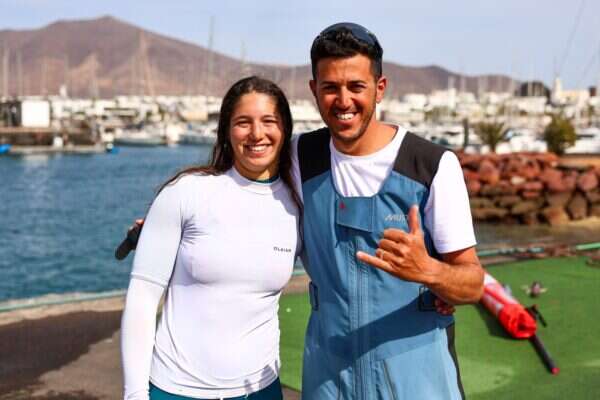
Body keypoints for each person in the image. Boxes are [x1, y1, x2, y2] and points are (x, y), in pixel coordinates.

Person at [291, 23, 484, 399]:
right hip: (329, 382)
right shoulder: (300, 157)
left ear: (380, 88)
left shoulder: (431, 165)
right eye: (330, 87)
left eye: (356, 86)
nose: (343, 100)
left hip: (418, 382)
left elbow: (474, 283)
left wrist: (428, 270)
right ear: (313, 89)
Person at [120, 76, 301, 400]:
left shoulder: (296, 205)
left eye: (268, 121)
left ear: (285, 129)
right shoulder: (186, 192)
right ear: (226, 131)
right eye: (243, 122)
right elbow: (142, 298)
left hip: (261, 391)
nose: (256, 133)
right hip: (175, 390)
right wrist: (135, 393)